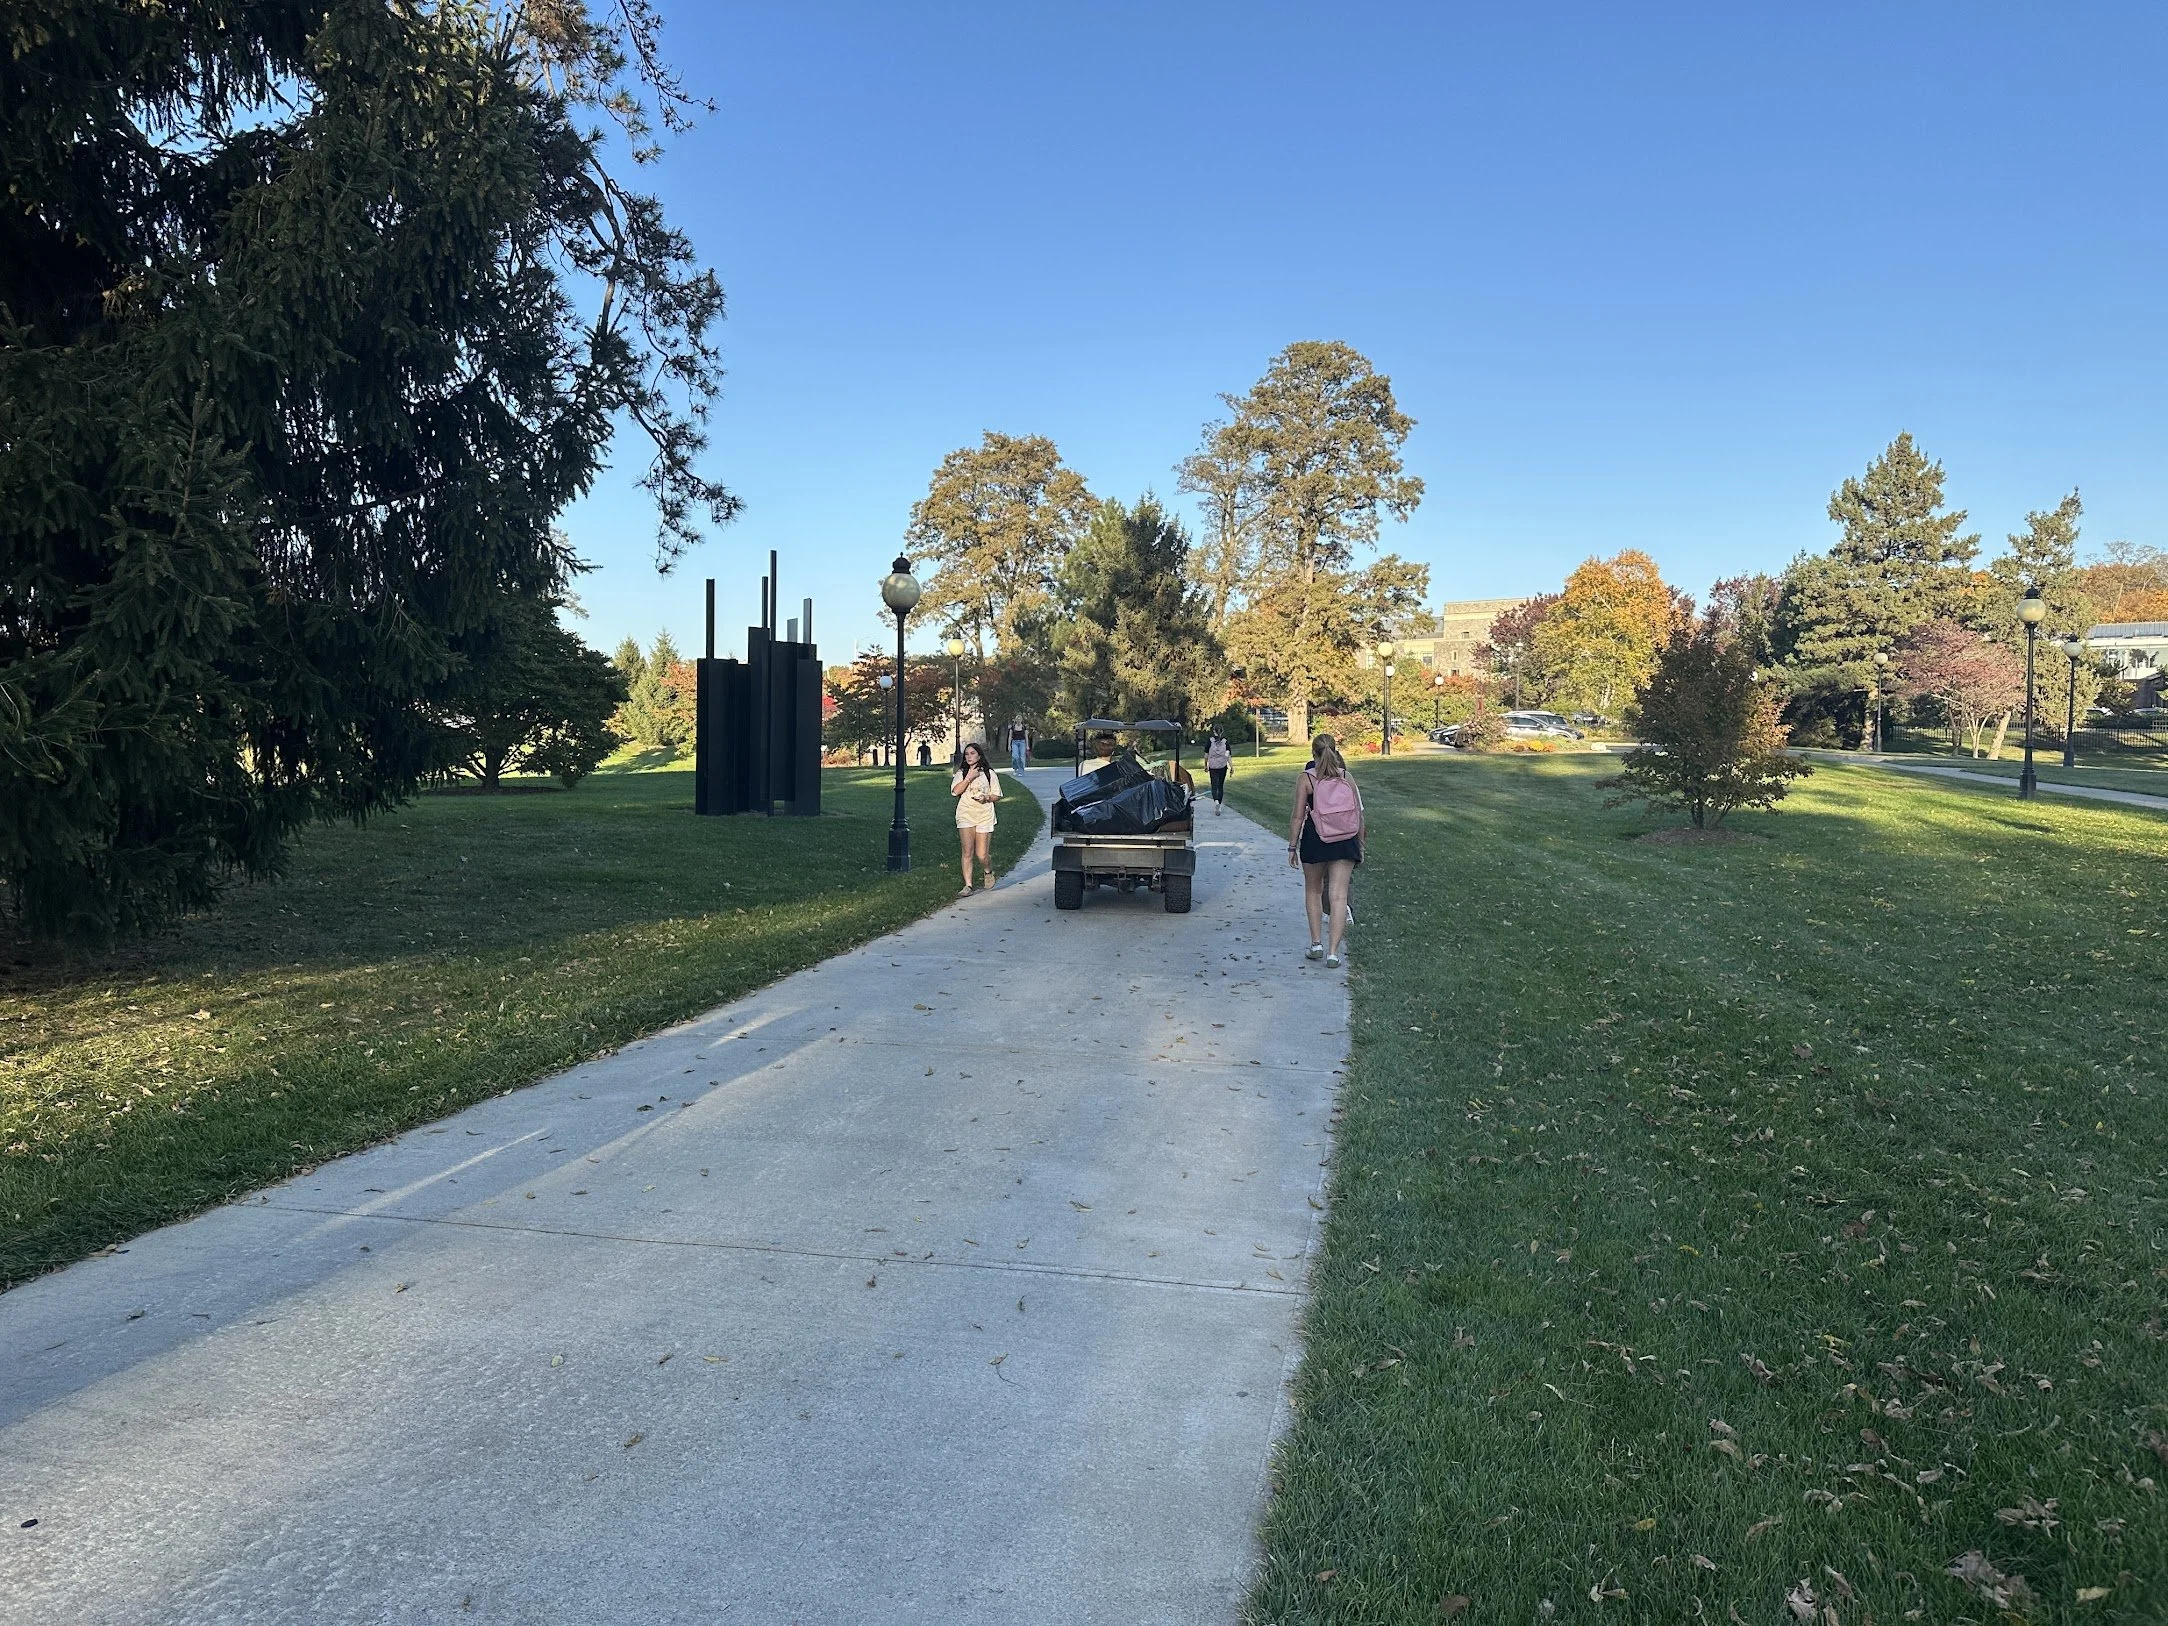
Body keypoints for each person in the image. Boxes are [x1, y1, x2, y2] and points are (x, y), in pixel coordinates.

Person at [1287, 732, 1363, 968]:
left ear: (1313, 753)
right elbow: (1358, 813)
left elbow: (1298, 816)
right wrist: (1360, 843)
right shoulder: (1346, 776)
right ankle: (1333, 953)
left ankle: (1316, 944)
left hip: (1316, 839)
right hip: (1345, 840)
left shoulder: (1306, 779)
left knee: (1313, 890)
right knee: (1338, 896)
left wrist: (1292, 846)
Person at [951, 740, 1002, 894]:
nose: (969, 756)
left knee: (981, 854)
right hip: (965, 814)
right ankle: (968, 885)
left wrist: (986, 798)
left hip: (984, 815)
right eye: (966, 754)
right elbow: (955, 792)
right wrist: (969, 778)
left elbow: (997, 794)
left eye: (972, 753)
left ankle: (988, 870)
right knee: (967, 851)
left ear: (979, 755)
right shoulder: (961, 773)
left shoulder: (989, 773)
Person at [1204, 732, 1232, 815]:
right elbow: (1228, 756)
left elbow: (1206, 756)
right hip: (1222, 766)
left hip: (1213, 767)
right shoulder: (1225, 742)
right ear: (1222, 731)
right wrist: (1231, 767)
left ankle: (1215, 801)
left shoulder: (1210, 741)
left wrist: (1206, 765)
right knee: (1220, 786)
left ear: (1214, 731)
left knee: (1214, 785)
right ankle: (1219, 806)